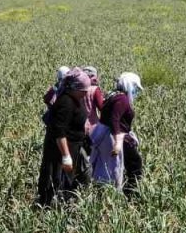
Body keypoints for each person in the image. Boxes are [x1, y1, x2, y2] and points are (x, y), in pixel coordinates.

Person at [36, 69, 90, 207]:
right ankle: (50, 210)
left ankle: (61, 205)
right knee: (56, 179)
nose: (86, 92)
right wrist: (66, 156)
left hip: (73, 147)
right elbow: (59, 132)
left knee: (68, 180)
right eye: (84, 89)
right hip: (60, 151)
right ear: (75, 88)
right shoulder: (66, 102)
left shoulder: (74, 98)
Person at [90, 73, 145, 196]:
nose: (136, 91)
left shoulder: (114, 94)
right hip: (115, 138)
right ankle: (131, 194)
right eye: (135, 87)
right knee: (134, 163)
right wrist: (117, 143)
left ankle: (108, 192)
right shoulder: (122, 99)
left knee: (109, 166)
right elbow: (114, 119)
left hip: (107, 136)